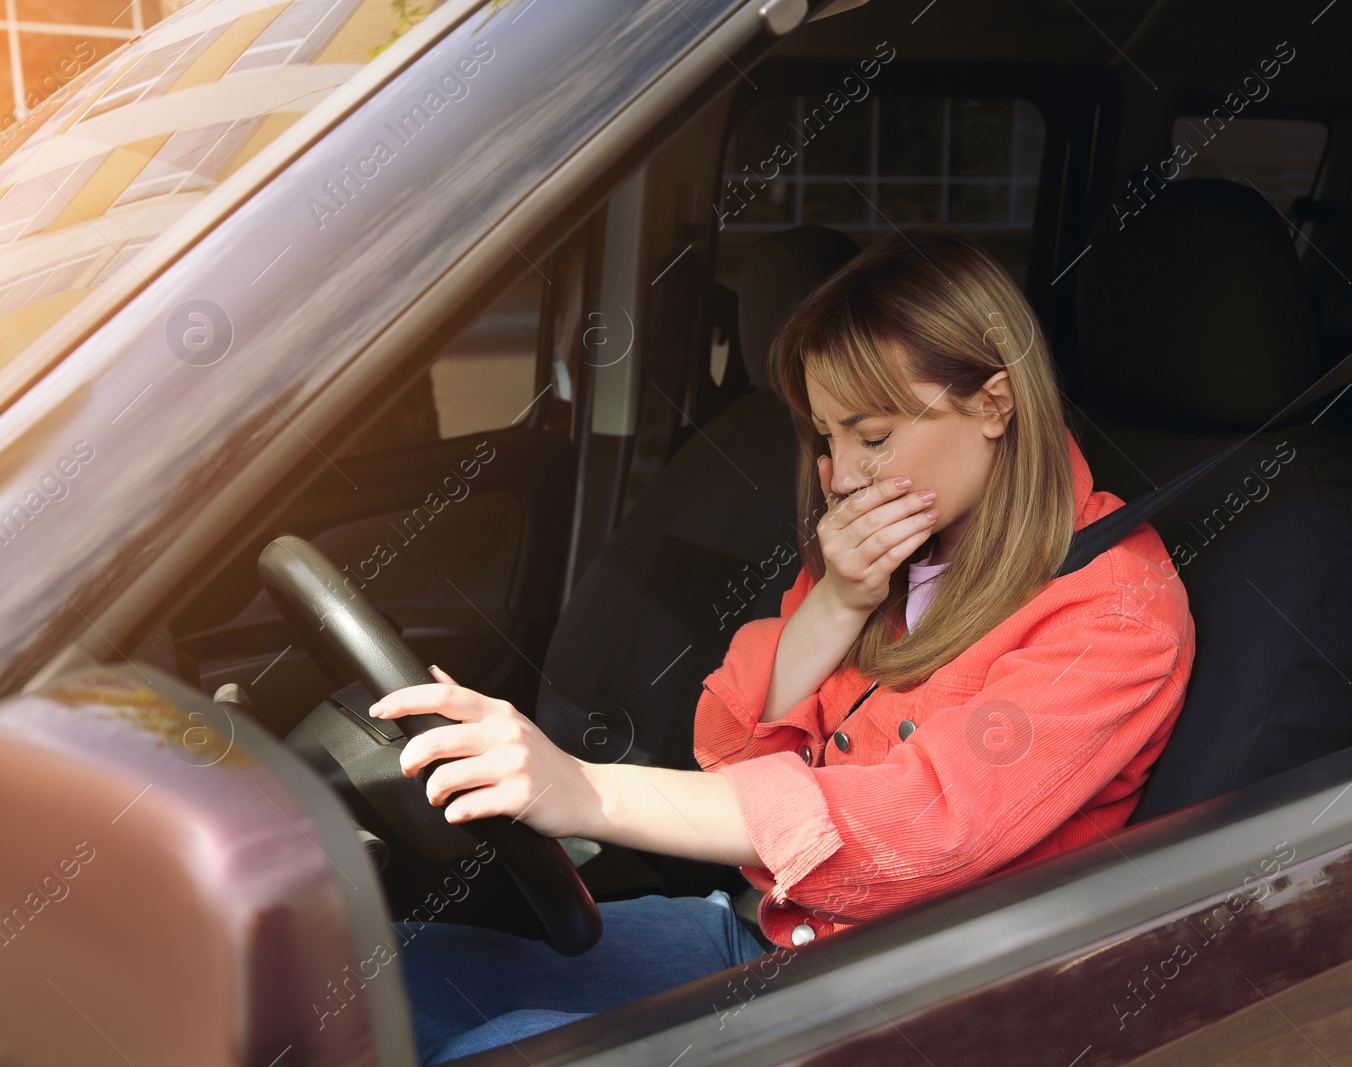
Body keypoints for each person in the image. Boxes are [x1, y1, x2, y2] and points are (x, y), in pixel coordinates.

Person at [372, 227, 1196, 1063]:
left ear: (994, 403)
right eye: (828, 440)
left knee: (509, 1049)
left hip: (906, 1012)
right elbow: (734, 750)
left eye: (872, 436)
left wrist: (585, 789)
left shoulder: (1116, 608)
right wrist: (837, 600)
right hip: (774, 936)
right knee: (382, 976)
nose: (839, 475)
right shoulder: (896, 548)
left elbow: (928, 827)